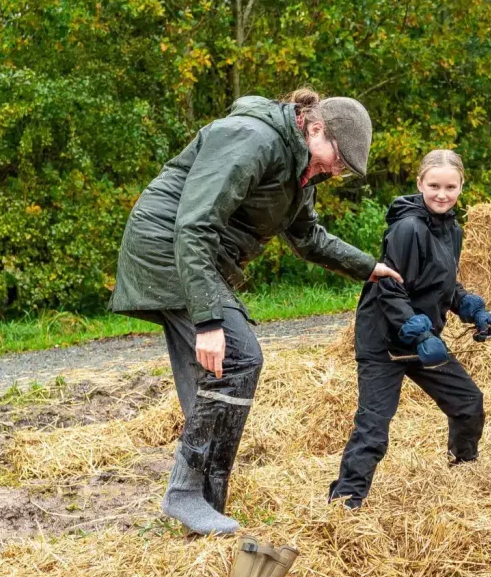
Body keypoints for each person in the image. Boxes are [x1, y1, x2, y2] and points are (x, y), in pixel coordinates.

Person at [109, 89, 402, 535]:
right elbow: (194, 224)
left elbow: (309, 238)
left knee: (216, 378)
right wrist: (208, 320)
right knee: (241, 358)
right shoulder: (251, 138)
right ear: (315, 126)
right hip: (169, 249)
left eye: (342, 169)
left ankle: (207, 506)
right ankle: (185, 493)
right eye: (338, 159)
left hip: (195, 258)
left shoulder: (301, 170)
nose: (335, 171)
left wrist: (368, 267)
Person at [328, 150, 491, 508]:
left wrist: (471, 309)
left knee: (468, 403)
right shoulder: (407, 228)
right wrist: (419, 333)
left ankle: (464, 471)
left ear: (461, 187)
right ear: (420, 184)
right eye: (434, 185)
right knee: (373, 428)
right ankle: (345, 504)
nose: (441, 194)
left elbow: (442, 284)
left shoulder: (453, 230)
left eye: (450, 187)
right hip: (385, 341)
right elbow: (390, 287)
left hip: (422, 342)